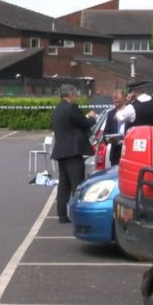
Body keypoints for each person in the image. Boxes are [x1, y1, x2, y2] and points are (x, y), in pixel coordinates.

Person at [50, 84, 97, 223]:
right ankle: (78, 214)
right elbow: (84, 123)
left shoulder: (58, 109)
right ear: (70, 94)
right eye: (75, 93)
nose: (76, 95)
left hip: (61, 151)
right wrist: (92, 117)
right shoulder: (72, 108)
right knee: (77, 184)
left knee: (64, 184)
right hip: (73, 151)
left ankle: (62, 214)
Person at [103, 89, 127, 166]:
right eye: (115, 102)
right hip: (115, 152)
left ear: (124, 99)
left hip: (127, 150)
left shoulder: (130, 112)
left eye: (119, 102)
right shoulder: (111, 114)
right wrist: (108, 139)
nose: (117, 104)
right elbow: (106, 132)